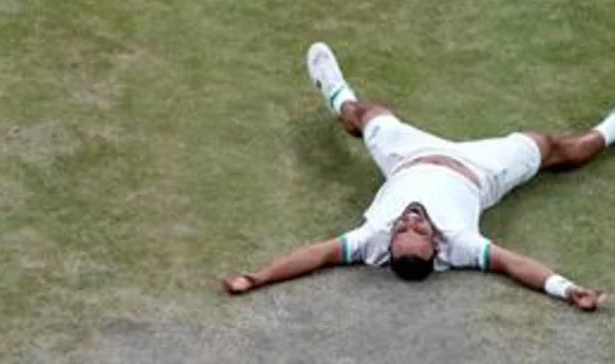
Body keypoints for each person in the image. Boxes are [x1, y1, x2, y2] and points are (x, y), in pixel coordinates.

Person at [222, 43, 613, 310]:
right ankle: (611, 129)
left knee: (369, 113)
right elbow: (515, 265)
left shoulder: (369, 240)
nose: (411, 218)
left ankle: (338, 95)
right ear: (437, 247)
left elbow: (317, 255)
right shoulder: (461, 245)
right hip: (481, 169)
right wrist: (566, 289)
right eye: (420, 229)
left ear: (389, 243)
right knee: (554, 147)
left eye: (403, 228)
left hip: (406, 156)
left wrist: (258, 278)